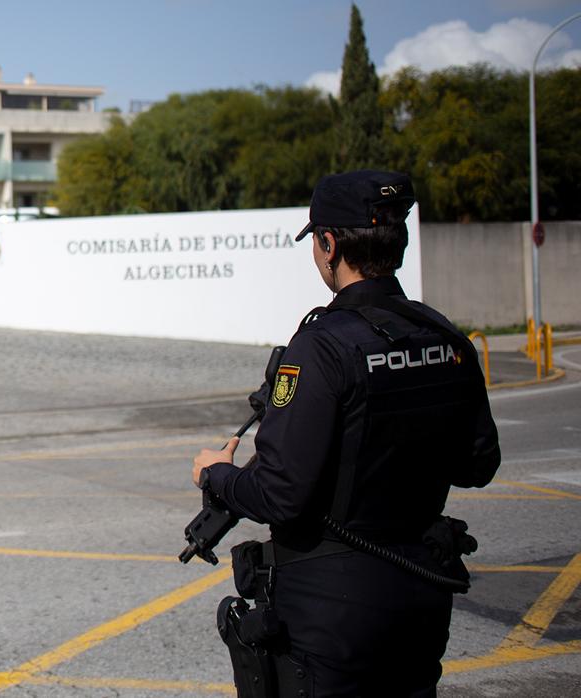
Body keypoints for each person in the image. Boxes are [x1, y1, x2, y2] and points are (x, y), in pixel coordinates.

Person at [191, 170, 500, 697]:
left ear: (329, 244)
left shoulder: (322, 348)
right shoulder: (445, 336)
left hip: (331, 612)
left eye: (317, 241)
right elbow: (478, 464)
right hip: (423, 595)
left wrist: (215, 475)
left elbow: (280, 495)